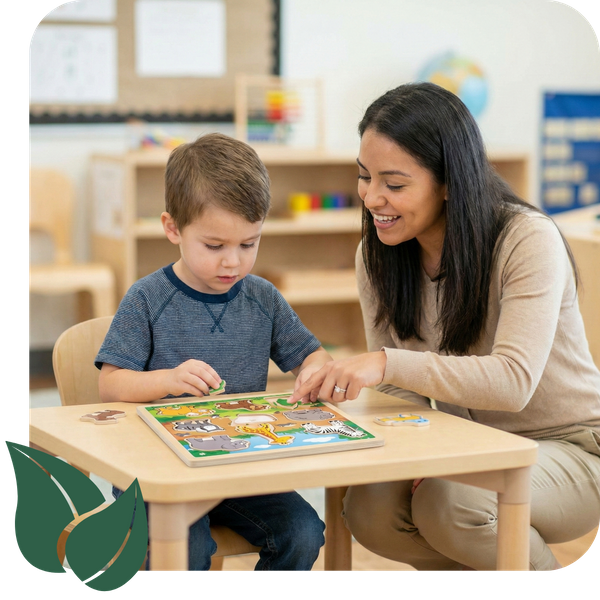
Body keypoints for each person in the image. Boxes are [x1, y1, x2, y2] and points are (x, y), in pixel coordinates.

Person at [289, 82, 600, 572]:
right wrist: (412, 449)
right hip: (470, 445)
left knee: (453, 503)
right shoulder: (377, 257)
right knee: (369, 511)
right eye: (364, 177)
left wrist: (386, 363)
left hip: (575, 447)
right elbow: (402, 393)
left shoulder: (525, 239)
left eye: (394, 184)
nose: (372, 198)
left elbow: (513, 382)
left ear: (451, 181)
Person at [96, 132, 330, 572]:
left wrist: (315, 374)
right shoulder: (147, 298)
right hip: (158, 473)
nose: (233, 263)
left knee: (303, 531)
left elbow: (313, 357)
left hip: (239, 468)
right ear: (172, 229)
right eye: (215, 246)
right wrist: (165, 380)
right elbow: (110, 384)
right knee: (185, 549)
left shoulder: (262, 298)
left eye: (249, 244)